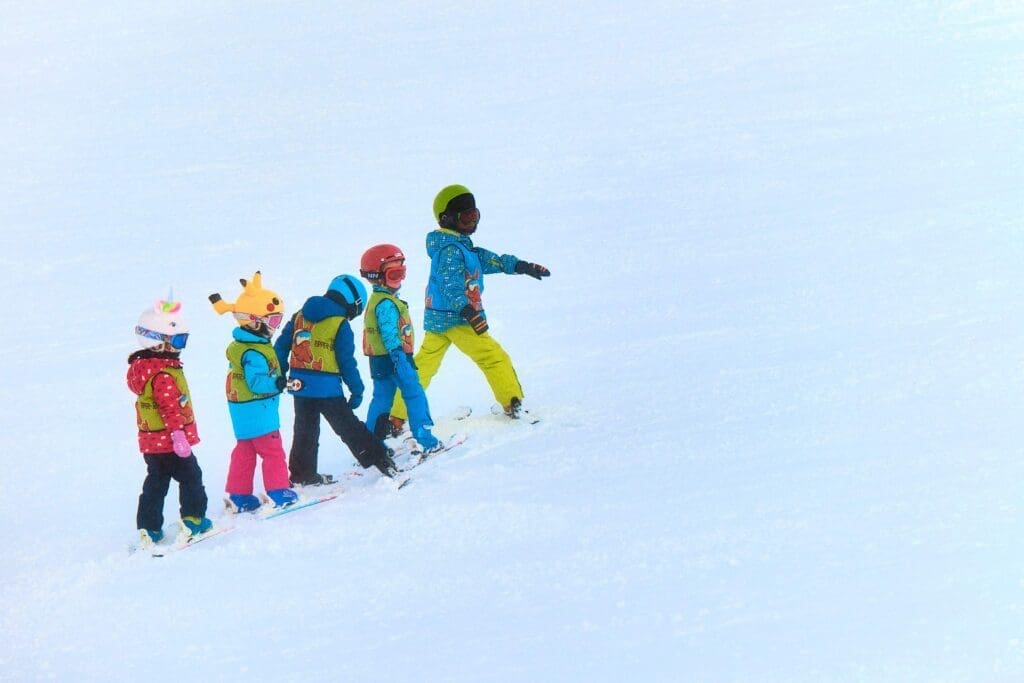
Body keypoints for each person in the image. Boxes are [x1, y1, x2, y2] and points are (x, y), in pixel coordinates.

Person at [387, 184, 550, 433]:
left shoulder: (460, 245)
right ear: (447, 219)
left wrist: (522, 266)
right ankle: (512, 402)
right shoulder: (451, 250)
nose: (472, 222)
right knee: (492, 357)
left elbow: (489, 259)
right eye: (465, 217)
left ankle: (396, 416)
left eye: (475, 216)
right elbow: (450, 285)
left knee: (424, 365)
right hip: (458, 319)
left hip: (439, 318)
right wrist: (468, 311)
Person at [273, 273, 399, 484]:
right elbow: (346, 362)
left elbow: (281, 347)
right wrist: (356, 389)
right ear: (353, 303)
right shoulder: (341, 325)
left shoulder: (299, 316)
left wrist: (279, 374)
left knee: (305, 431)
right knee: (348, 427)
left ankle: (302, 474)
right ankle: (379, 458)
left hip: (300, 387)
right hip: (327, 389)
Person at [127, 297, 213, 549]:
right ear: (156, 343)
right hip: (172, 442)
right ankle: (194, 520)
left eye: (182, 340)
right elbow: (170, 408)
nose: (180, 347)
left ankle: (149, 527)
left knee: (156, 482)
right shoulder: (164, 374)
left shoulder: (144, 368)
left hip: (151, 442)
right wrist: (178, 435)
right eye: (176, 341)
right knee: (191, 478)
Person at [209, 272, 298, 512]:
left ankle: (239, 494)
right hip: (259, 409)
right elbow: (257, 382)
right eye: (273, 321)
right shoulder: (255, 352)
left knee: (245, 450)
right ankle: (279, 491)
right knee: (272, 452)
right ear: (254, 321)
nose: (275, 328)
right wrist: (278, 383)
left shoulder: (242, 346)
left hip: (241, 410)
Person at [359, 243, 442, 452]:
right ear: (376, 276)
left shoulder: (378, 299)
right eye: (395, 274)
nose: (400, 279)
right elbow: (389, 333)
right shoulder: (386, 303)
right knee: (414, 394)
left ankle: (371, 444)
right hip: (396, 358)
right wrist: (398, 357)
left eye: (402, 272)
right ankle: (426, 438)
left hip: (379, 361)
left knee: (382, 399)